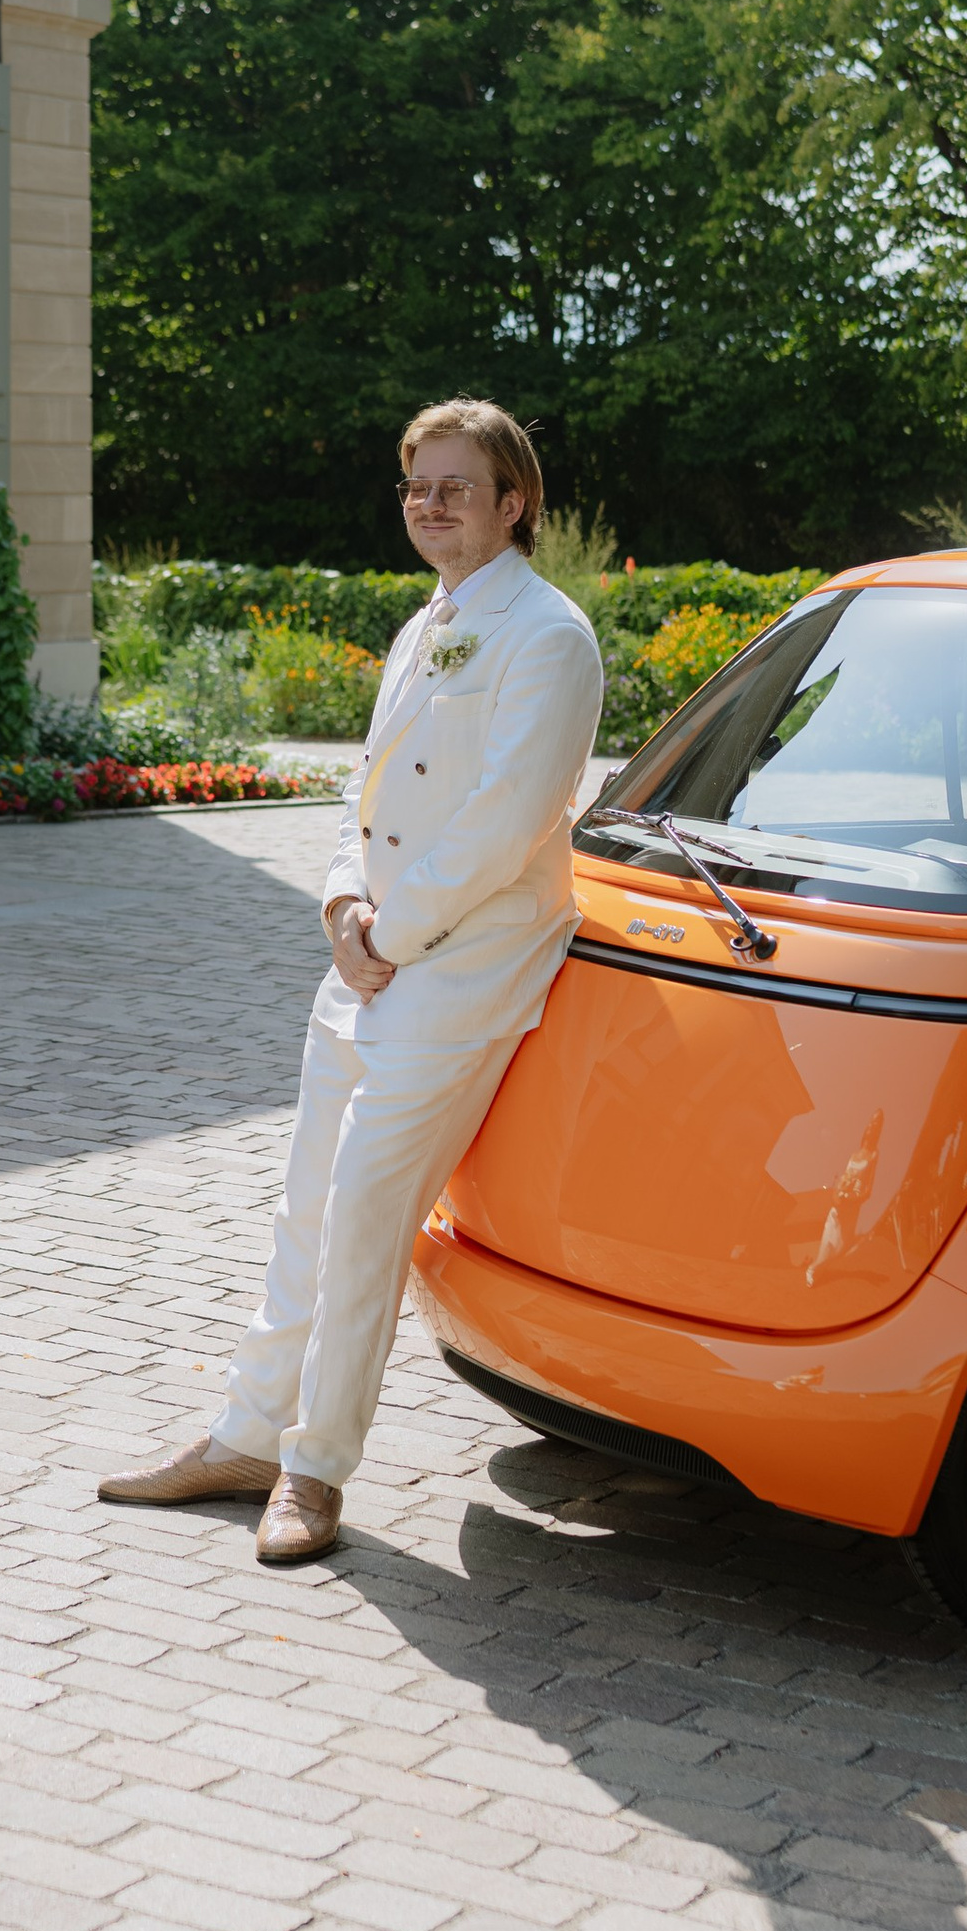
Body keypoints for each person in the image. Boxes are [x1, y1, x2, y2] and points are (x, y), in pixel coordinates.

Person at [100, 398, 605, 1561]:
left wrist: (391, 930)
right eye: (415, 486)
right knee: (304, 1212)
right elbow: (364, 793)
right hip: (369, 956)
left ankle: (314, 1471)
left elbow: (508, 820)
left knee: (368, 1218)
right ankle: (243, 1434)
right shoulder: (419, 624)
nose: (428, 505)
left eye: (453, 486)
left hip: (462, 965)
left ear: (511, 501)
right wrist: (337, 904)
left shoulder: (550, 634)